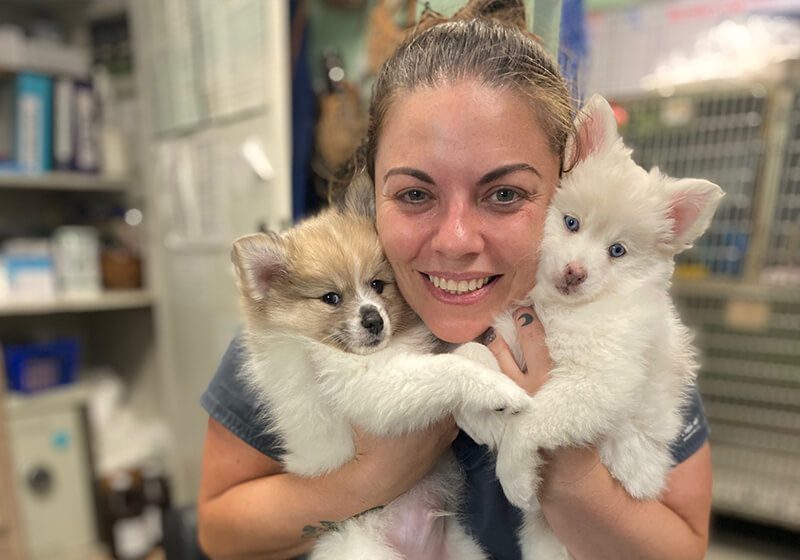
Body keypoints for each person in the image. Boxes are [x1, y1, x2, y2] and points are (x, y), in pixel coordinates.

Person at [196, 5, 712, 560]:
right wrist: (369, 479)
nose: (456, 240)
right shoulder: (308, 325)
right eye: (415, 194)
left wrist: (567, 467)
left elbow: (683, 547)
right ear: (373, 193)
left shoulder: (620, 330)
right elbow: (221, 532)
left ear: (566, 183)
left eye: (505, 194)